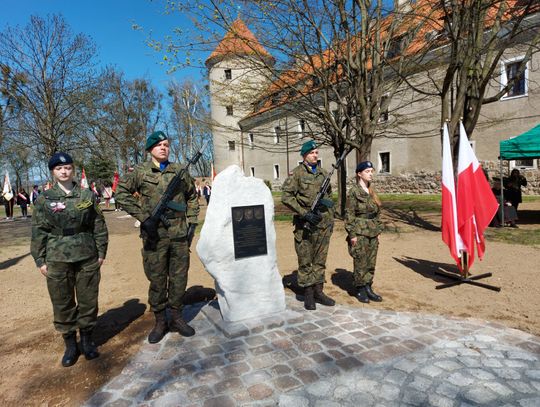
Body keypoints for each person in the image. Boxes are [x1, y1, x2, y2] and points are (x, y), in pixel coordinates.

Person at [116, 131, 200, 343]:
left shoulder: (179, 170)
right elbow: (121, 193)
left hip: (179, 234)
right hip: (155, 235)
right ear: (150, 149)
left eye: (166, 144)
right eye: (159, 145)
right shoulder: (141, 172)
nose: (163, 148)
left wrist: (191, 221)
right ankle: (160, 321)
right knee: (157, 279)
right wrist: (145, 218)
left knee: (179, 278)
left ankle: (177, 317)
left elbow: (192, 196)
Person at [31, 152, 108, 367]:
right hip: (57, 257)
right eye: (59, 169)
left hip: (86, 255)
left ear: (72, 170)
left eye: (67, 168)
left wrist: (101, 252)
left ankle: (87, 341)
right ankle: (70, 345)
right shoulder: (44, 199)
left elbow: (98, 225)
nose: (64, 171)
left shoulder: (86, 195)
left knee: (88, 300)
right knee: (62, 301)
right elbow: (39, 230)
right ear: (53, 172)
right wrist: (40, 259)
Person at [281, 140, 336, 311]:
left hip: (322, 223)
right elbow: (286, 196)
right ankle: (309, 294)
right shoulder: (296, 174)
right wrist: (304, 213)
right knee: (305, 260)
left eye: (317, 152)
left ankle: (319, 291)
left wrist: (327, 216)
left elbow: (329, 197)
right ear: (304, 155)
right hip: (305, 224)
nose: (315, 155)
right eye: (312, 153)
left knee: (320, 260)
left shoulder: (323, 174)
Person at [345, 161, 384, 303]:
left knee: (371, 261)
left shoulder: (372, 191)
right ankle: (360, 288)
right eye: (367, 171)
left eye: (371, 171)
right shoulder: (354, 192)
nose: (371, 174)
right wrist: (352, 234)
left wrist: (378, 230)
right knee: (360, 261)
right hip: (360, 231)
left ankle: (368, 286)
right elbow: (349, 214)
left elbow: (378, 213)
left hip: (373, 231)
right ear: (359, 174)